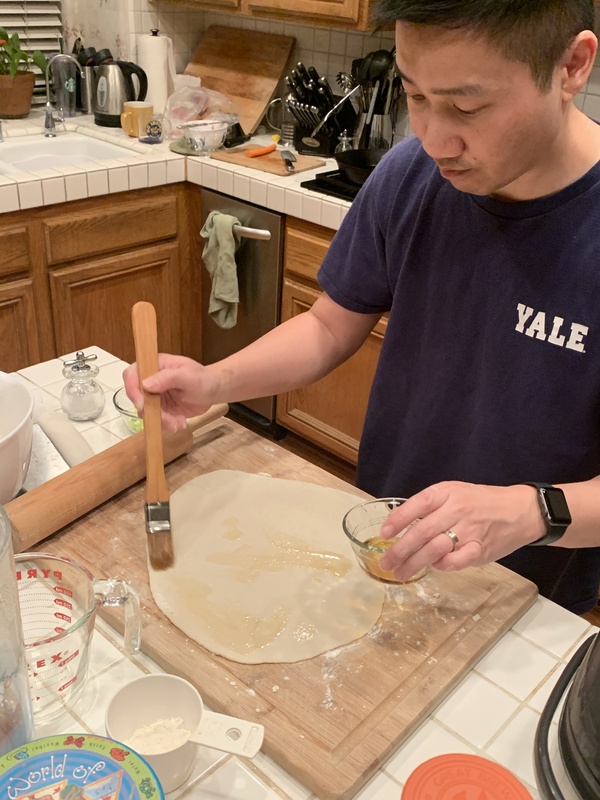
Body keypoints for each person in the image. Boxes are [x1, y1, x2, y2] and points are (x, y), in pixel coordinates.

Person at [125, 0, 600, 615]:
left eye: (466, 106)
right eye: (415, 95)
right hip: (386, 548)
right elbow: (328, 325)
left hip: (536, 597)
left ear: (572, 66)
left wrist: (530, 510)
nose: (432, 137)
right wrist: (215, 380)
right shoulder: (408, 176)